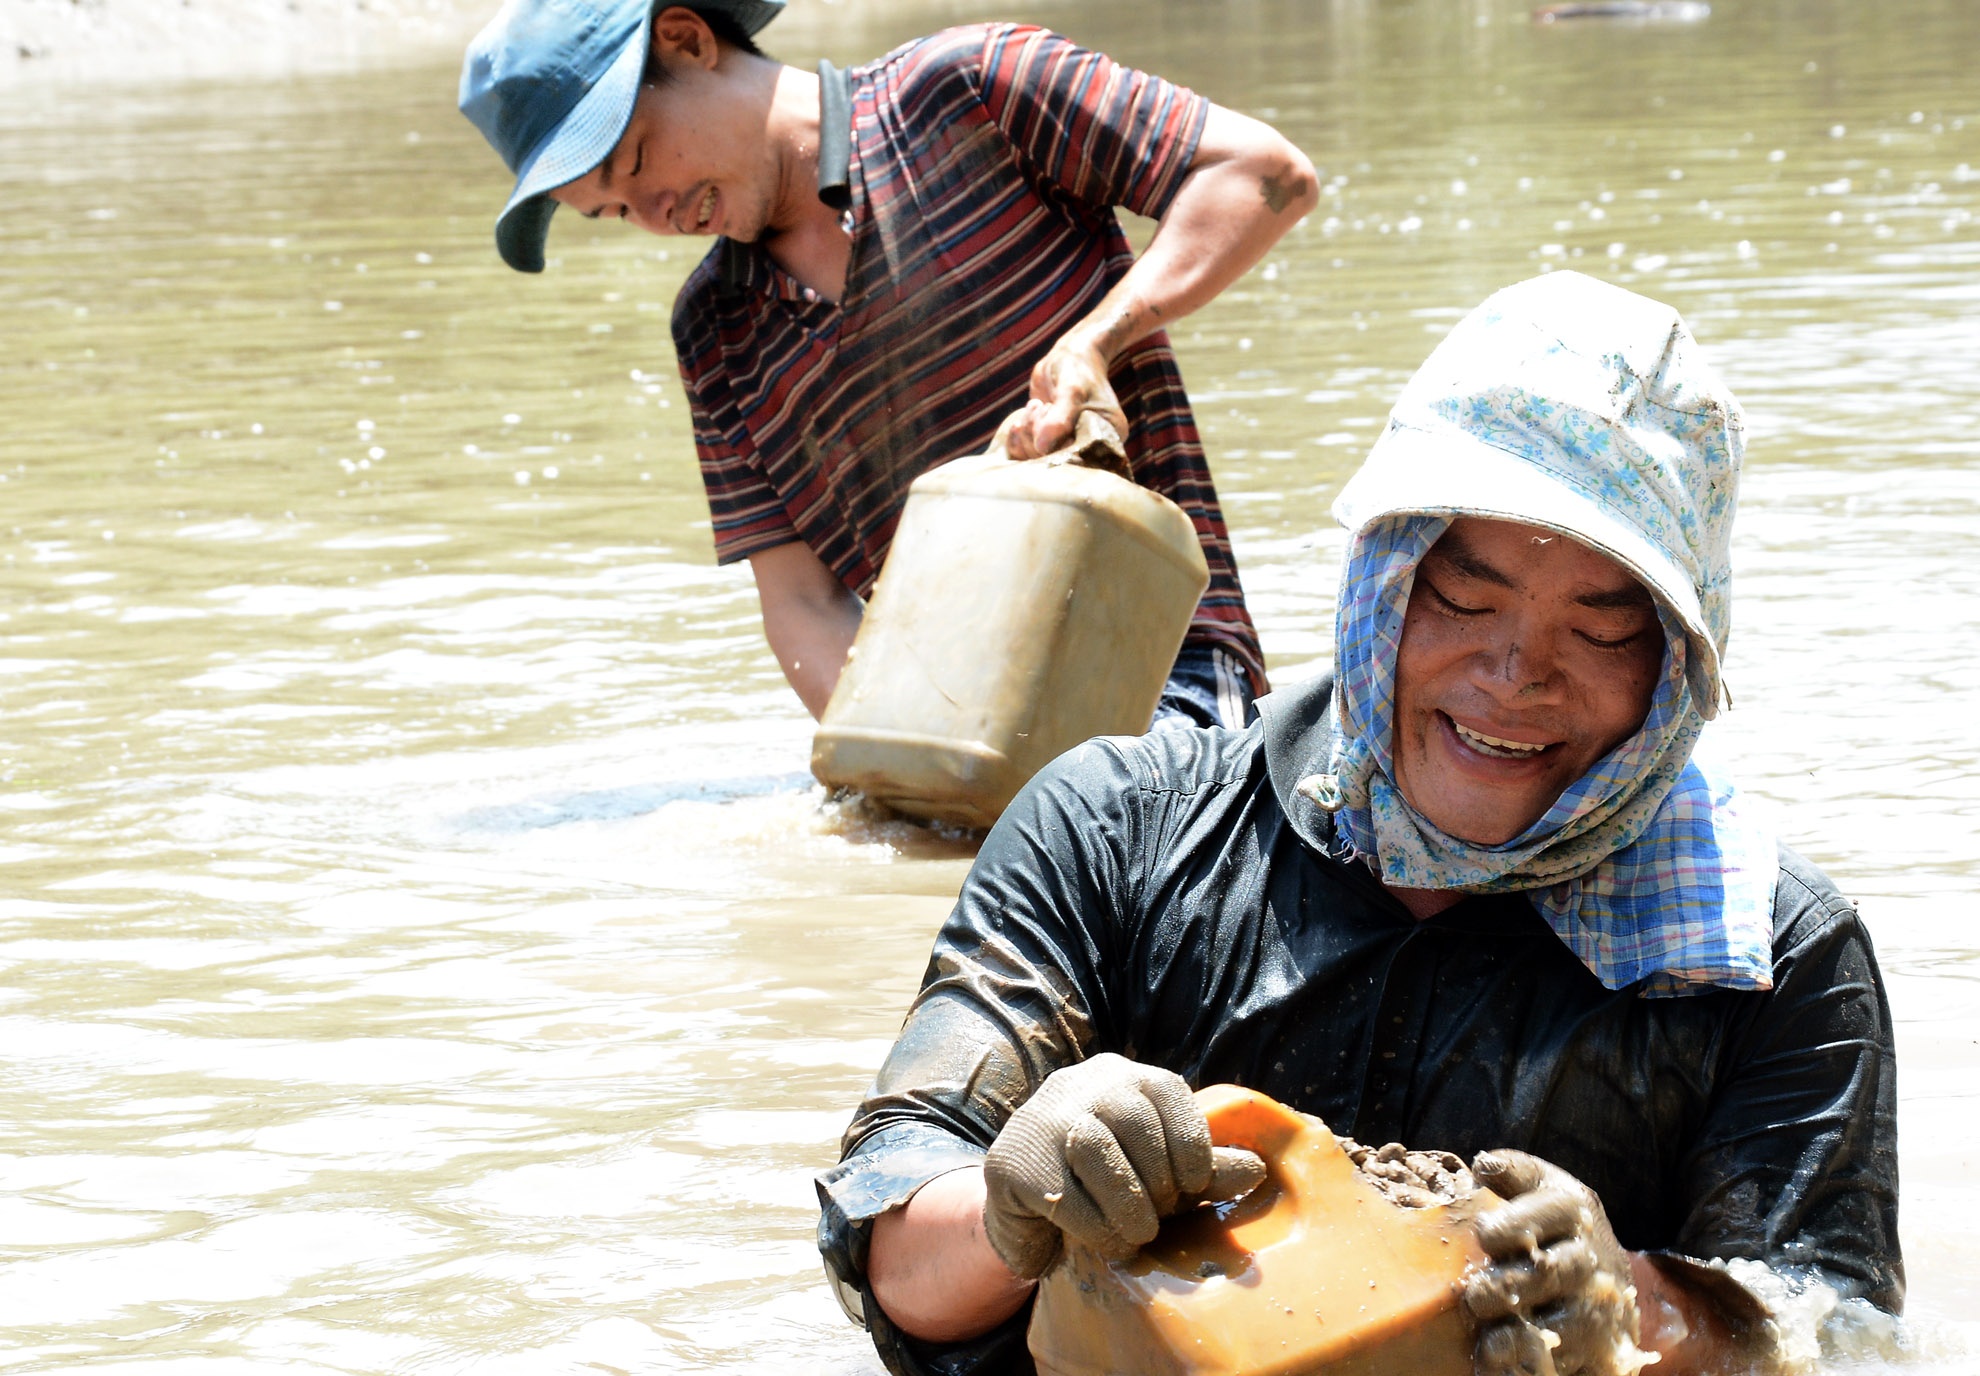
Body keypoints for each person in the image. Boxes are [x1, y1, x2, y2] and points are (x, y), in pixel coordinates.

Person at [816, 270, 1902, 1376]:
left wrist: (1638, 1303)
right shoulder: (1114, 826)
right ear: (1381, 581)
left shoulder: (1775, 960)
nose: (1515, 673)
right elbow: (891, 1240)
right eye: (1465, 599)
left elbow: (1843, 1336)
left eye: (1603, 629)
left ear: (1676, 667)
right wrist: (1015, 1203)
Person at [458, 0, 1319, 728]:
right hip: (952, 730)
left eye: (636, 160)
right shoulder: (712, 331)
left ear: (687, 40)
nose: (655, 213)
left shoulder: (969, 86)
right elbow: (803, 604)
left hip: (1167, 687)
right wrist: (892, 760)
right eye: (613, 212)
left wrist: (1097, 338)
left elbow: (1262, 174)